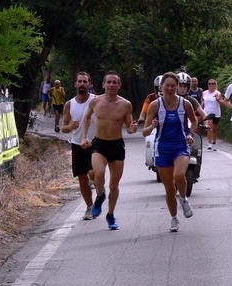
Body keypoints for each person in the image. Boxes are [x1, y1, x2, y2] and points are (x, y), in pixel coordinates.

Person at [81, 70, 138, 230]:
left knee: (114, 185)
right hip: (99, 144)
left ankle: (110, 215)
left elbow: (129, 128)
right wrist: (84, 137)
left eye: (115, 82)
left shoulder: (125, 105)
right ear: (103, 84)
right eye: (109, 82)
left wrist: (133, 128)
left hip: (116, 146)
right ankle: (100, 196)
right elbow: (87, 117)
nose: (111, 85)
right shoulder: (95, 102)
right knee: (98, 174)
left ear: (119, 85)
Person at [142, 72, 197, 233]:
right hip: (162, 149)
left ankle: (184, 199)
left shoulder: (185, 103)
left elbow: (194, 121)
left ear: (178, 87)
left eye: (174, 85)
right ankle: (174, 218)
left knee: (179, 176)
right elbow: (144, 132)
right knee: (169, 189)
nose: (171, 88)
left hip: (180, 146)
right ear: (161, 87)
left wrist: (190, 134)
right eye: (168, 85)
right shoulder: (155, 105)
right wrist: (152, 126)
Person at [61, 72, 97, 220]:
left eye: (85, 82)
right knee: (82, 178)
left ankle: (96, 182)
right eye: (80, 82)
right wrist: (70, 127)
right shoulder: (69, 104)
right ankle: (90, 207)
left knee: (92, 173)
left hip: (95, 142)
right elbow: (63, 127)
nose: (82, 84)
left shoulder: (96, 101)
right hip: (77, 144)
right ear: (75, 84)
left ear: (89, 84)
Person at [201, 79, 223, 151]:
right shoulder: (204, 93)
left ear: (215, 85)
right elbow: (202, 101)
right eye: (209, 83)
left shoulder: (218, 93)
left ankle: (214, 143)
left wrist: (218, 99)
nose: (211, 85)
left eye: (213, 83)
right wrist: (202, 105)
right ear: (208, 85)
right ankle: (210, 143)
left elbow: (222, 103)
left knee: (215, 129)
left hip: (216, 113)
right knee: (209, 127)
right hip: (207, 112)